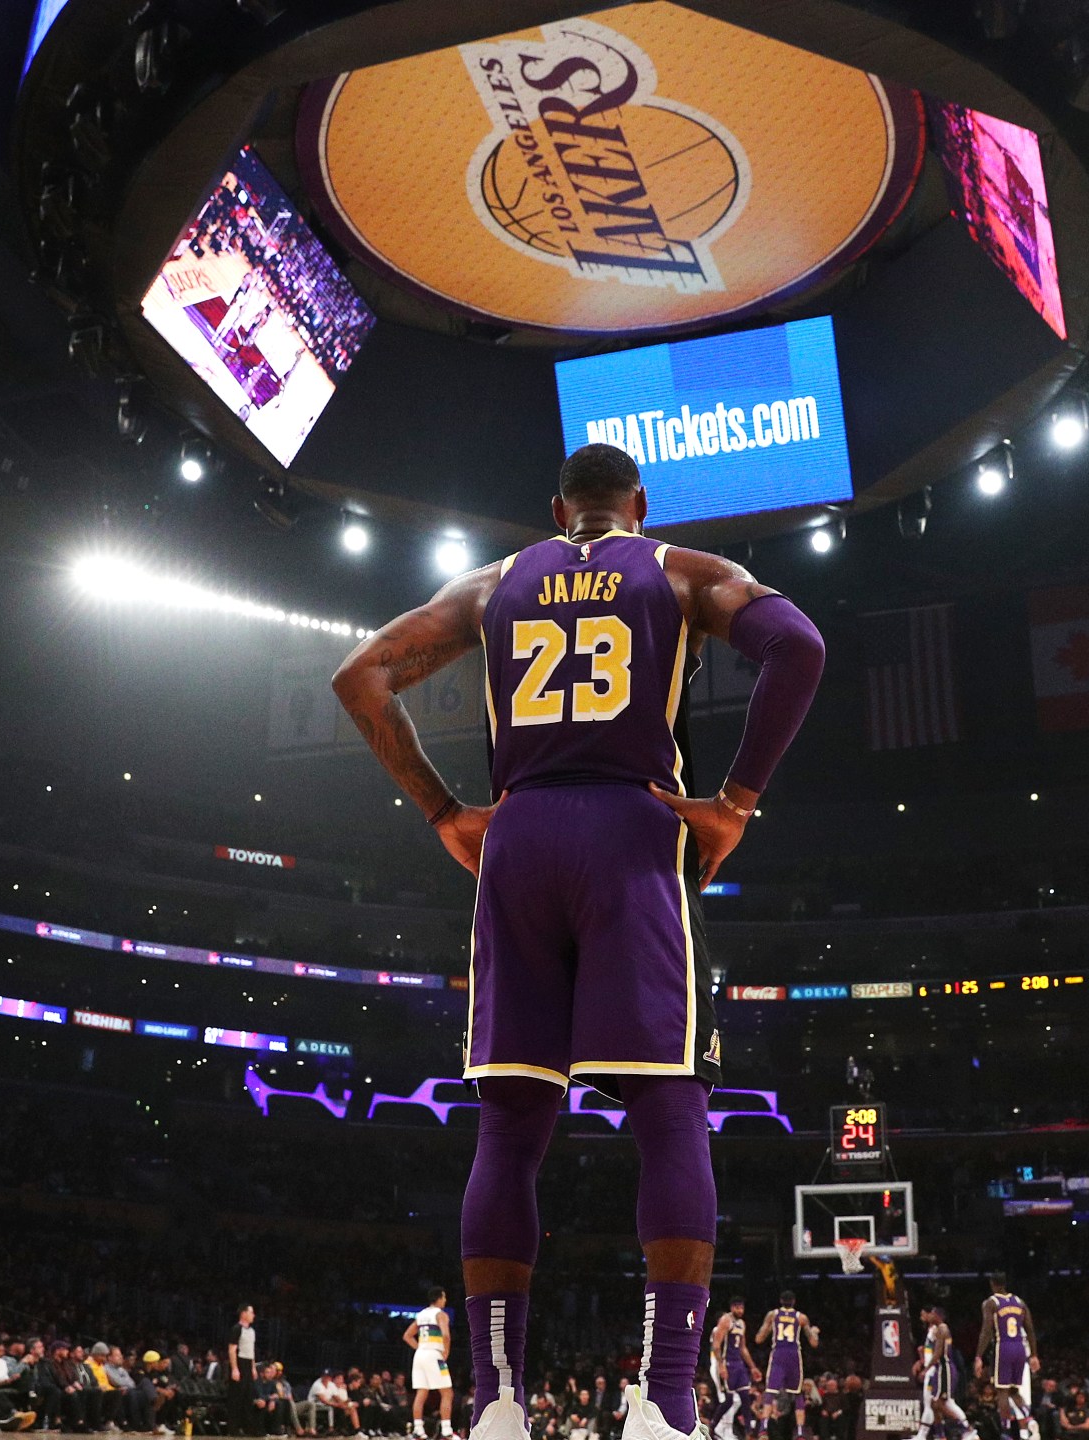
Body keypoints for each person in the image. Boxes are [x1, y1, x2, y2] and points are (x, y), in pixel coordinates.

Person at [331, 442, 824, 1440]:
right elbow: (799, 647)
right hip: (632, 836)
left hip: (518, 841)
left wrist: (442, 813)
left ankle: (496, 1404)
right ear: (636, 506)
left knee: (509, 1132)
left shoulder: (491, 584)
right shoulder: (681, 572)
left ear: (558, 511)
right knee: (669, 1113)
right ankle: (668, 1399)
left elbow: (360, 676)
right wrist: (732, 803)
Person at [979, 1277, 1041, 1440]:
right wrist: (1034, 1355)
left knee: (1002, 1392)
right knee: (1014, 1391)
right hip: (1020, 1347)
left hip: (1004, 1346)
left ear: (992, 1284)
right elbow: (1030, 1330)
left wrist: (978, 1355)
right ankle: (1029, 1421)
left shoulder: (991, 1302)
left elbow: (987, 1331)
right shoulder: (1020, 1302)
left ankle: (1006, 1433)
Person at [759, 1293, 819, 1440]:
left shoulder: (773, 1315)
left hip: (778, 1355)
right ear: (794, 1301)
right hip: (793, 1356)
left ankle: (763, 1429)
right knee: (798, 1393)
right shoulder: (801, 1317)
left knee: (770, 1391)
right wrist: (815, 1333)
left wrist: (767, 1329)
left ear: (780, 1301)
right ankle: (799, 1433)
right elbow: (814, 1343)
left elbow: (759, 1339)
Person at [916, 1304, 974, 1440]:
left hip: (944, 1368)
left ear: (937, 1315)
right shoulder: (938, 1329)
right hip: (940, 1369)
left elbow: (938, 1353)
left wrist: (926, 1369)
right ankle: (940, 1435)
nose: (929, 1316)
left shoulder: (941, 1329)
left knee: (941, 1404)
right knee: (933, 1404)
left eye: (931, 1314)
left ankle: (967, 1430)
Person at [404, 1287, 455, 1439]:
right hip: (434, 1354)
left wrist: (420, 1348)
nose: (445, 1300)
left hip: (419, 1355)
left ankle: (418, 1429)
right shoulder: (441, 1314)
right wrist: (446, 1351)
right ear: (439, 1298)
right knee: (447, 1392)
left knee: (421, 1393)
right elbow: (446, 1335)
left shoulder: (421, 1314)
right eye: (444, 1297)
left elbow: (407, 1336)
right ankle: (447, 1430)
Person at [709, 1297, 760, 1440]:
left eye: (742, 1308)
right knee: (729, 1400)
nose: (740, 1310)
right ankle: (712, 1426)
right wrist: (721, 1365)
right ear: (732, 1307)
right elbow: (716, 1345)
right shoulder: (726, 1320)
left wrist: (753, 1367)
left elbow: (743, 1348)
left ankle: (748, 1433)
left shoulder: (742, 1324)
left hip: (739, 1364)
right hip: (728, 1363)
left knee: (745, 1398)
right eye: (737, 1307)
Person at [229, 1305, 260, 1433]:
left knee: (248, 1397)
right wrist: (235, 1368)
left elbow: (251, 1351)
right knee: (237, 1397)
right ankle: (233, 1428)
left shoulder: (252, 1331)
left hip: (248, 1363)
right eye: (251, 1312)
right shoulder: (236, 1329)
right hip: (239, 1362)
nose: (253, 1315)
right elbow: (232, 1350)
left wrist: (253, 1367)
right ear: (243, 1313)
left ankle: (248, 1427)